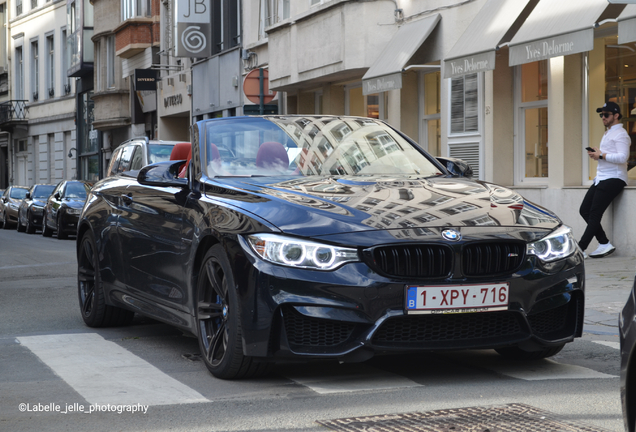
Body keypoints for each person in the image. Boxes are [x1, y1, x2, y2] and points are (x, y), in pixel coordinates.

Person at [580, 101, 630, 258]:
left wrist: (601, 155)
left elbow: (623, 157)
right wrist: (599, 153)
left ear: (616, 116)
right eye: (601, 114)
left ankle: (579, 249)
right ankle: (604, 243)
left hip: (613, 178)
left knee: (594, 214)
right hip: (601, 178)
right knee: (584, 210)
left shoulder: (621, 134)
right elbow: (610, 155)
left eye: (606, 114)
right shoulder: (608, 133)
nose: (603, 117)